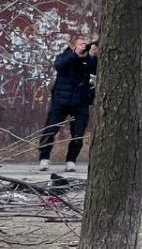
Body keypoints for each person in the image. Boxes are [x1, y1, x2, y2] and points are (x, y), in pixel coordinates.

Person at [38, 37, 98, 171]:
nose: (84, 45)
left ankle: (71, 161)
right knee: (50, 130)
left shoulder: (90, 60)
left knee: (78, 133)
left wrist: (91, 54)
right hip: (60, 100)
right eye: (81, 44)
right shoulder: (65, 57)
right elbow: (59, 66)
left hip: (80, 102)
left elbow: (96, 70)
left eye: (85, 43)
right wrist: (76, 55)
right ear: (73, 46)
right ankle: (44, 158)